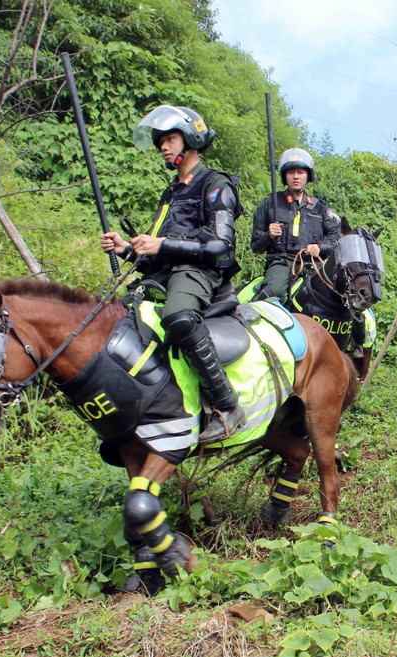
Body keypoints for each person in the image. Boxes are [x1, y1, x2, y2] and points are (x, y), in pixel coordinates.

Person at [100, 105, 244, 444]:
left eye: (171, 138)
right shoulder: (171, 192)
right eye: (161, 141)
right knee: (113, 319)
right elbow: (155, 253)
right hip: (164, 273)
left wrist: (161, 244)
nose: (164, 146)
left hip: (201, 272)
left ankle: (227, 404)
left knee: (178, 317)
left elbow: (220, 246)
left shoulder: (215, 183)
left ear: (191, 139)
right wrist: (125, 248)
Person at [250, 148, 340, 302]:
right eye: (291, 172)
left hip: (314, 263)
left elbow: (335, 238)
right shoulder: (271, 203)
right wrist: (269, 235)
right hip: (282, 262)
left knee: (341, 295)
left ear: (308, 175)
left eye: (300, 172)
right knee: (273, 292)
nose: (296, 177)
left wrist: (319, 247)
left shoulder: (320, 207)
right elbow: (255, 246)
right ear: (285, 176)